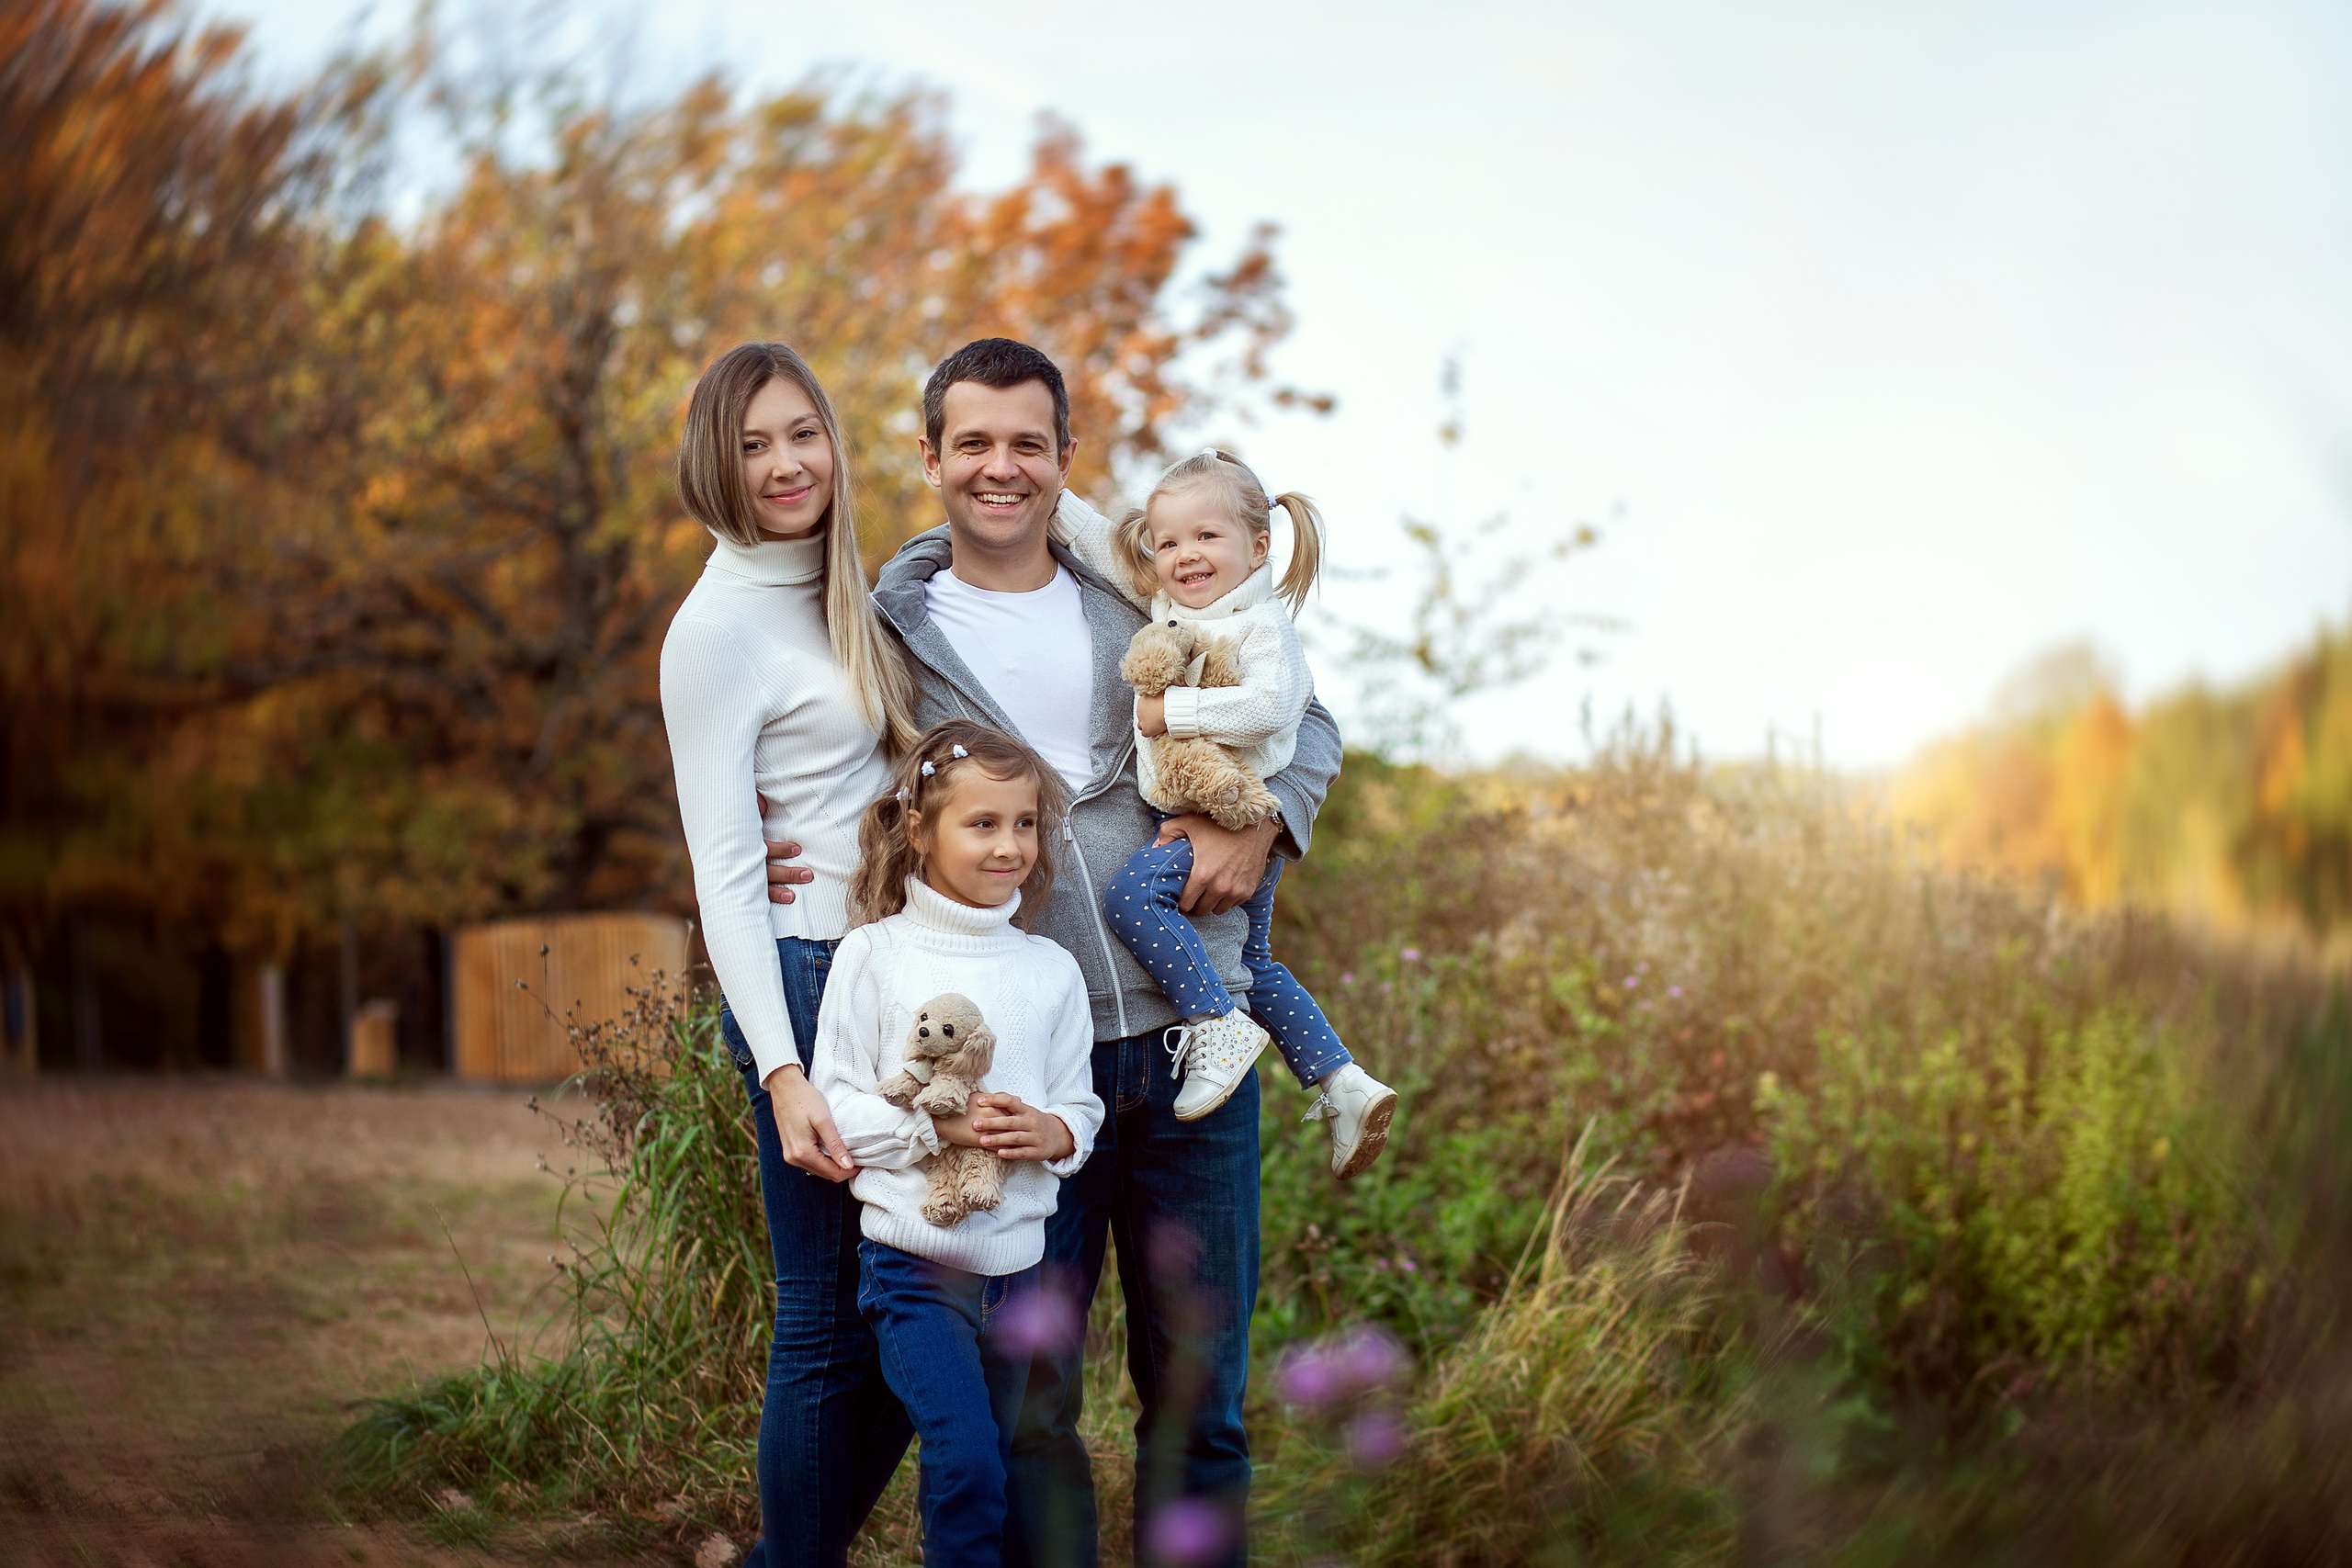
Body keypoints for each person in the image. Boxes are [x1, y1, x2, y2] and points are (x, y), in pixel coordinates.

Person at [765, 337, 1342, 1568]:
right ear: (929, 457)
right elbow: (820, 773)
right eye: (971, 441)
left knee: (1202, 1403)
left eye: (1028, 442)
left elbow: (1312, 718)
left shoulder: (1144, 595)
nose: (1000, 467)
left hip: (1198, 1043)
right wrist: (786, 855)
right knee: (1032, 1403)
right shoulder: (886, 632)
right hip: (1030, 1069)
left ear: (1064, 459)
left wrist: (1273, 817)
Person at [658, 341, 922, 1567]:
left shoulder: (838, 589)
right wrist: (781, 1067)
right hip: (805, 985)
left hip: (883, 976)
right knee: (827, 1318)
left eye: (801, 433)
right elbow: (724, 865)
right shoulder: (712, 629)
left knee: (910, 1307)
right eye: (754, 442)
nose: (784, 463)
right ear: (717, 458)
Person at [810, 719, 1104, 1568]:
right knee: (966, 1462)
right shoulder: (874, 955)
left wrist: (1050, 1132)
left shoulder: (1050, 969)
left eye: (1025, 822)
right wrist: (935, 1123)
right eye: (983, 823)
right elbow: (835, 1107)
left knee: (1005, 1469)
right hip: (916, 1267)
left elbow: (1079, 1107)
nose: (1010, 844)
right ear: (920, 830)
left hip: (1019, 1273)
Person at [1057, 455, 1398, 1177]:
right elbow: (1097, 538)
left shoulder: (1262, 626)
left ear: (1260, 547)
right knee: (1254, 961)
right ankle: (1344, 1082)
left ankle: (1215, 1022)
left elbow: (1275, 710)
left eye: (1207, 537)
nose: (1185, 555)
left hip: (1227, 814)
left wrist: (1165, 713)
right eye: (1169, 541)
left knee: (1132, 897)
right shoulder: (1176, 609)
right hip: (1217, 811)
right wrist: (1048, 488)